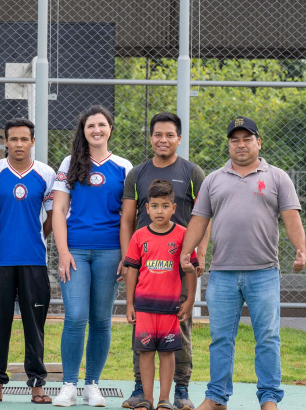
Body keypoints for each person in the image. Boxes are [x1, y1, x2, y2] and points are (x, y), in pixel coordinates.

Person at [180, 116, 306, 410]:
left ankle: (269, 398)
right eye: (235, 140)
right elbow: (199, 220)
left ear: (258, 143)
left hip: (264, 273)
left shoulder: (277, 177)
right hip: (222, 273)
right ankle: (216, 397)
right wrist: (188, 253)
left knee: (267, 338)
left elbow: (291, 217)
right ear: (229, 144)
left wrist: (300, 250)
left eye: (247, 139)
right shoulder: (213, 179)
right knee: (221, 339)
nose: (241, 145)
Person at [120, 112, 208, 410]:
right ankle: (139, 390)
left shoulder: (193, 172)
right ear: (151, 137)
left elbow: (204, 217)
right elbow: (128, 219)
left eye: (170, 135)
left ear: (179, 139)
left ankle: (180, 391)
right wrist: (127, 258)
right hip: (147, 269)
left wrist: (199, 255)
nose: (163, 140)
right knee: (141, 329)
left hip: (180, 268)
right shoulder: (137, 174)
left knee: (180, 325)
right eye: (158, 134)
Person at [52, 105, 133, 408]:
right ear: (83, 131)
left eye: (102, 125)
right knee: (75, 317)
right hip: (75, 252)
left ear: (110, 128)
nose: (96, 130)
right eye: (90, 126)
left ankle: (92, 385)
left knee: (100, 320)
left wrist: (126, 256)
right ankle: (68, 385)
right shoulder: (70, 163)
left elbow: (128, 217)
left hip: (111, 252)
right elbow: (59, 209)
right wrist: (62, 253)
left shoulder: (124, 167)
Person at [0, 118, 56, 405]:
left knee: (34, 324)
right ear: (5, 142)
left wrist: (36, 236)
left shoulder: (46, 174)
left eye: (24, 139)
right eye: (13, 139)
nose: (19, 144)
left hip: (34, 261)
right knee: (0, 323)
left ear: (32, 141)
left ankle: (37, 383)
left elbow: (52, 217)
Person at [125, 180, 198, 410]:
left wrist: (190, 300)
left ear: (174, 208)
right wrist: (129, 303)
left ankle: (164, 399)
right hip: (145, 308)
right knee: (145, 352)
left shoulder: (184, 235)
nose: (159, 211)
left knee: (167, 354)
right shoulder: (138, 236)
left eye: (165, 206)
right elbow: (132, 271)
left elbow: (191, 270)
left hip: (170, 310)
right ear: (146, 209)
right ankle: (146, 398)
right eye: (154, 206)